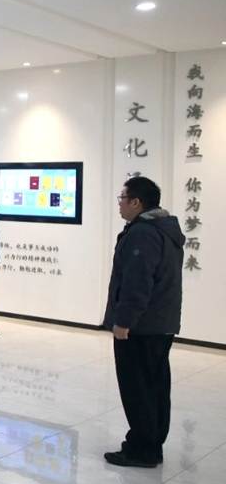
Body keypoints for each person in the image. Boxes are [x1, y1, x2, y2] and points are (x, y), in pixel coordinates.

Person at [103, 176, 184, 468]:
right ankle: (152, 442)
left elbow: (137, 282)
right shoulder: (164, 229)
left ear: (136, 202)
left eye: (122, 199)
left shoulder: (143, 233)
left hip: (141, 326)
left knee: (137, 387)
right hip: (160, 323)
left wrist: (123, 321)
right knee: (155, 385)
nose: (120, 205)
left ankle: (142, 449)